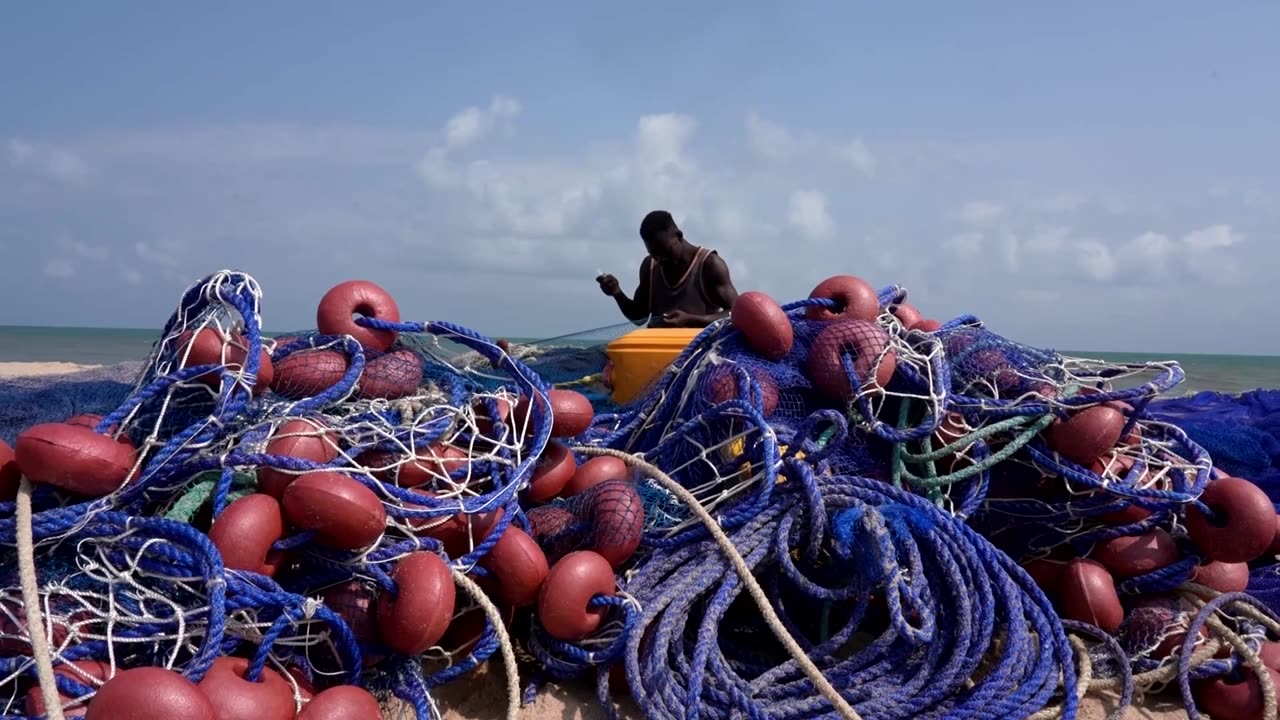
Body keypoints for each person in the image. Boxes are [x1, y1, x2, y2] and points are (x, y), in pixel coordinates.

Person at [596, 211, 739, 329]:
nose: (661, 259)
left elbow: (736, 314)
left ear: (679, 236)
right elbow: (639, 317)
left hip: (695, 355)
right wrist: (617, 293)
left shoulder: (710, 265)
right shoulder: (650, 266)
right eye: (654, 254)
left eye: (665, 252)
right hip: (657, 351)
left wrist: (692, 320)